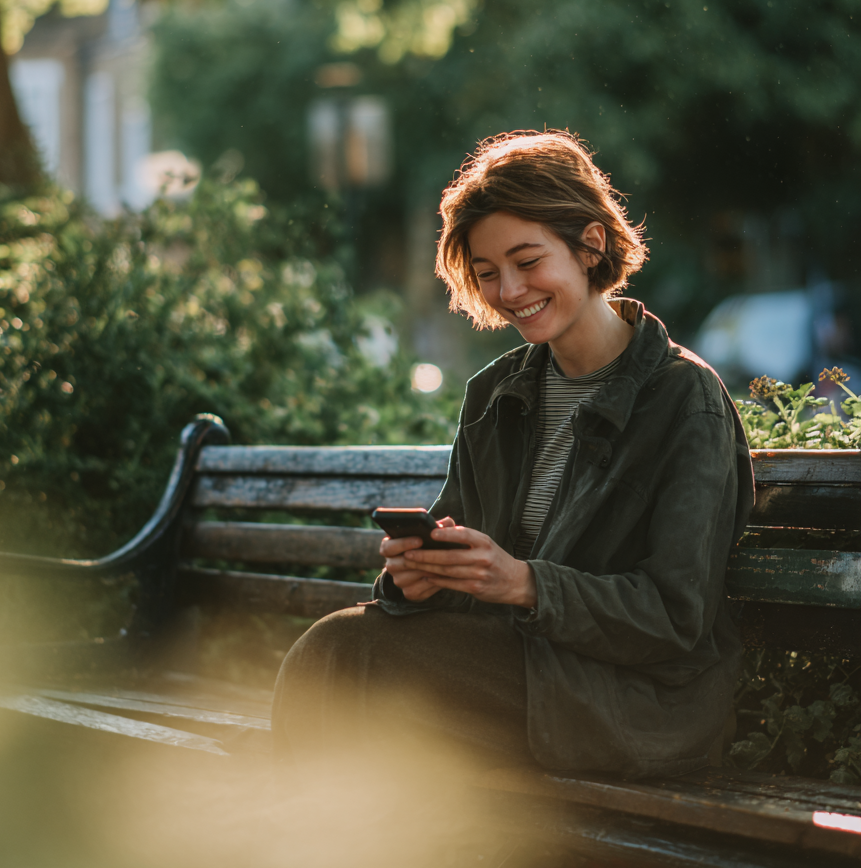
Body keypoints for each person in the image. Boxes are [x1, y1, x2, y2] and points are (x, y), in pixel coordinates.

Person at [271, 130, 754, 780]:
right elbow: (460, 555)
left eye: (527, 261)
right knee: (336, 660)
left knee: (341, 658)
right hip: (521, 671)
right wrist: (417, 582)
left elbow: (675, 617)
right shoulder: (497, 393)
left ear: (591, 245)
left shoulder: (683, 400)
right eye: (488, 272)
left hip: (637, 702)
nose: (509, 290)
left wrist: (526, 585)